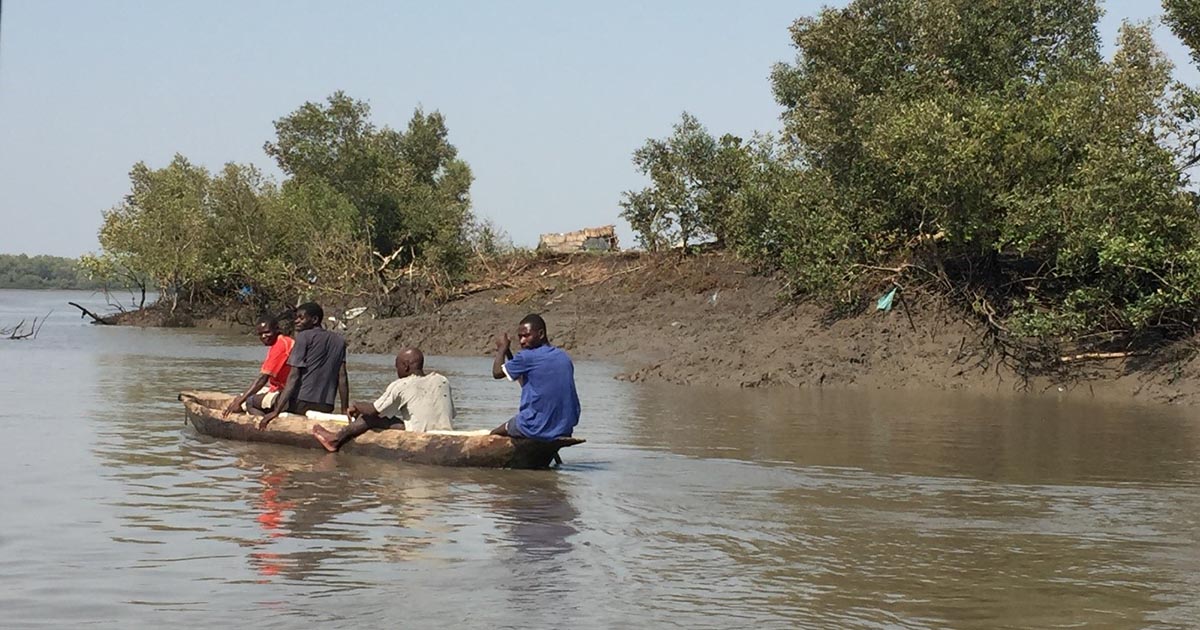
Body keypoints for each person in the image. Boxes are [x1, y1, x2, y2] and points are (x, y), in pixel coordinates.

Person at [311, 347, 455, 452]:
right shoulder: (442, 380)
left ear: (405, 366)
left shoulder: (402, 384)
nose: (397, 370)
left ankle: (335, 439)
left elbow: (374, 410)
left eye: (397, 366)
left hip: (418, 435)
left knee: (370, 418)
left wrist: (355, 405)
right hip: (446, 432)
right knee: (390, 417)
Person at [258, 302, 348, 430]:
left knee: (252, 402)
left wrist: (276, 411)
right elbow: (342, 378)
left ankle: (265, 433)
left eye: (301, 318)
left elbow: (293, 377)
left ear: (315, 320)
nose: (296, 321)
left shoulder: (303, 337)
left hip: (300, 403)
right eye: (296, 318)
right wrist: (344, 411)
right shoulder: (339, 341)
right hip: (326, 406)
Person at [490, 313, 580, 439]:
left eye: (526, 336)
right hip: (565, 427)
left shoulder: (527, 357)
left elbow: (497, 373)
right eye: (520, 337)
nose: (522, 341)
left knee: (494, 434)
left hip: (534, 426)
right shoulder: (563, 356)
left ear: (541, 334)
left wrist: (502, 348)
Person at [223, 315, 295, 417]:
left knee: (250, 402)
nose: (263, 336)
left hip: (287, 392)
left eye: (267, 332)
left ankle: (262, 426)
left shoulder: (280, 345)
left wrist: (240, 401)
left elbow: (262, 378)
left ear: (277, 329)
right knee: (240, 397)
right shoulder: (284, 341)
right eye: (260, 334)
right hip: (281, 388)